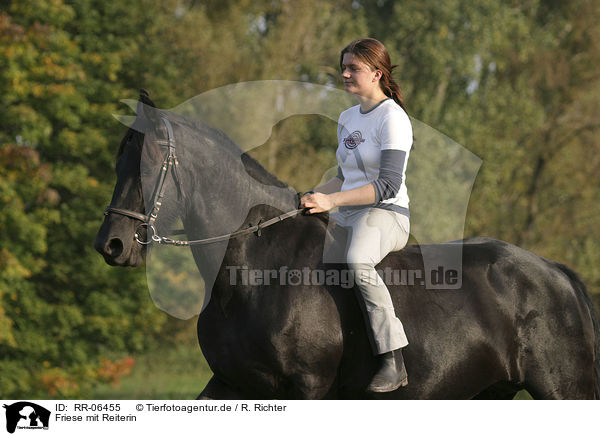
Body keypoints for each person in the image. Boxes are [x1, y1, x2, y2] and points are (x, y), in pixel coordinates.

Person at [301, 38, 412, 393]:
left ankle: (392, 358)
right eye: (344, 67)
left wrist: (333, 202)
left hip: (386, 214)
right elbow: (343, 175)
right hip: (349, 211)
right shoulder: (347, 117)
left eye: (354, 68)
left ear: (377, 73)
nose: (345, 73)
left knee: (356, 260)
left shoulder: (393, 118)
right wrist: (314, 196)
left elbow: (388, 185)